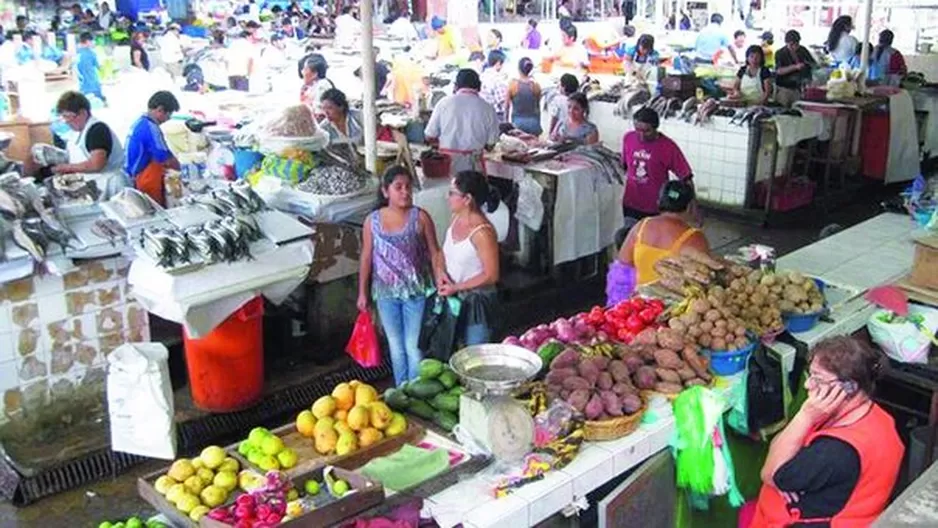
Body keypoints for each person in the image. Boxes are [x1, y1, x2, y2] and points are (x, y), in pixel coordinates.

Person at [751, 336, 903, 527]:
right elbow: (778, 454)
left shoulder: (835, 451)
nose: (808, 385)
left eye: (818, 378)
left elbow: (769, 473)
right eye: (810, 374)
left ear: (849, 387)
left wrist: (804, 416)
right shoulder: (875, 416)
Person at [358, 166, 443, 386]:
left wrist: (441, 280)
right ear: (386, 192)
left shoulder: (421, 217)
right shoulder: (372, 221)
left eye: (408, 187)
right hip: (385, 295)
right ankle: (402, 390)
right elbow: (366, 258)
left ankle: (416, 390)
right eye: (398, 187)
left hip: (417, 293)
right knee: (396, 346)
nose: (405, 192)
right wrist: (362, 293)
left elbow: (435, 252)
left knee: (413, 346)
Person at [440, 170, 501, 345]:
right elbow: (442, 254)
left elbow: (491, 275)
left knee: (475, 357)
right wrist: (440, 272)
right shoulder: (455, 219)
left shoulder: (482, 233)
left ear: (467, 199)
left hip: (477, 304)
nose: (448, 197)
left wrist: (457, 286)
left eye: (452, 193)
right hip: (456, 299)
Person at [615, 180, 707, 286]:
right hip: (675, 301)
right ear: (690, 207)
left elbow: (623, 265)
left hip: (638, 300)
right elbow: (703, 278)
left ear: (659, 201)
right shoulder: (695, 237)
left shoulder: (641, 226)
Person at [621, 107, 693, 222]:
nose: (641, 135)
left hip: (656, 207)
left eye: (647, 131)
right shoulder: (628, 138)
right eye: (637, 130)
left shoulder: (668, 146)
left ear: (656, 127)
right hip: (631, 203)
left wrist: (693, 207)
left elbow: (686, 177)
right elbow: (624, 166)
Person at [50, 91, 126, 198]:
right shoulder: (78, 133)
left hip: (113, 186)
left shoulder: (97, 130)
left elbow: (96, 164)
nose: (66, 122)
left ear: (83, 113)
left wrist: (65, 168)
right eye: (64, 117)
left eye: (68, 116)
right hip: (98, 186)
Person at [425, 69, 500, 174]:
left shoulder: (443, 104)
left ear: (456, 86)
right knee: (473, 190)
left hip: (446, 164)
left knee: (449, 189)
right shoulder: (488, 108)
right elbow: (491, 145)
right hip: (474, 166)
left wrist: (444, 143)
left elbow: (429, 136)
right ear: (478, 86)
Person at [124, 91, 181, 206]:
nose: (168, 119)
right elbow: (164, 158)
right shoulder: (150, 127)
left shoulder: (139, 122)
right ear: (160, 110)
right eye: (168, 115)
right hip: (143, 178)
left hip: (132, 174)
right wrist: (183, 170)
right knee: (155, 212)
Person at [774, 30, 816, 107]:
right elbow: (779, 71)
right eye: (791, 44)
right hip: (785, 88)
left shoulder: (802, 50)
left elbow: (813, 64)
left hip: (799, 88)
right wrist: (795, 67)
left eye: (796, 44)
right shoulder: (780, 53)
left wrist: (807, 66)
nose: (794, 47)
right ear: (786, 43)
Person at [506, 57, 542, 136]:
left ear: (518, 69)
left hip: (518, 123)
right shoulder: (536, 86)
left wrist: (506, 122)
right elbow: (538, 107)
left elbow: (507, 106)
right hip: (534, 123)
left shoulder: (512, 85)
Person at [547, 73, 580, 138]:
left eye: (560, 84)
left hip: (560, 132)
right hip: (576, 132)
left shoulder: (558, 100)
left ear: (564, 87)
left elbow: (554, 118)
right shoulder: (579, 101)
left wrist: (550, 133)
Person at [75, 32, 105, 103]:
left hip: (82, 85)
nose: (93, 43)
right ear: (88, 41)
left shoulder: (76, 53)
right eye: (92, 41)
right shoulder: (91, 54)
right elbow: (100, 67)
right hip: (93, 83)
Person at [480, 50, 509, 122]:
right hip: (496, 116)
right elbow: (503, 103)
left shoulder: (482, 76)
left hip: (482, 114)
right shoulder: (498, 79)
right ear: (499, 63)